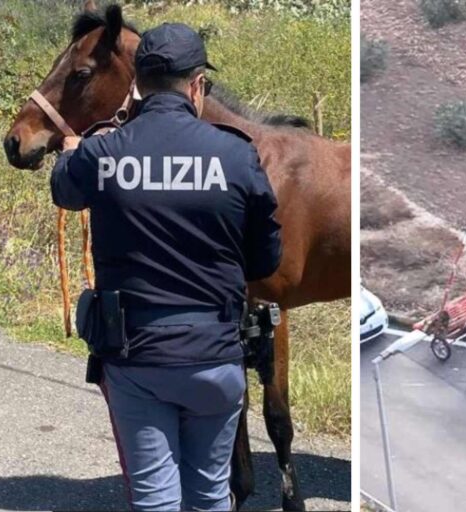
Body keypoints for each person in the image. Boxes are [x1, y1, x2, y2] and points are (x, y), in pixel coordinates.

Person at [50, 23, 281, 512]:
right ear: (197, 85)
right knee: (210, 495)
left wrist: (71, 155)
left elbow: (64, 191)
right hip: (217, 357)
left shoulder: (102, 153)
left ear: (136, 85)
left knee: (156, 499)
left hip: (137, 361)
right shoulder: (237, 156)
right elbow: (266, 260)